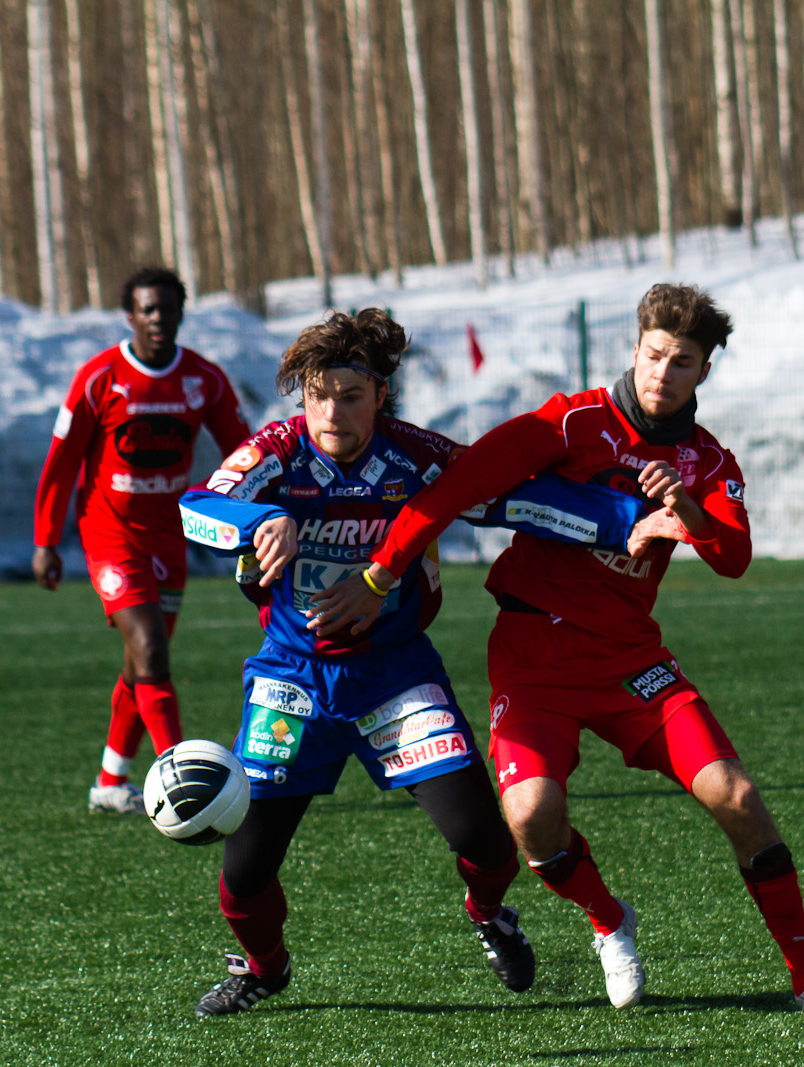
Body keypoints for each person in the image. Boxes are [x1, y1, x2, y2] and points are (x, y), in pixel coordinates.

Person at [314, 284, 804, 1014]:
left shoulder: (706, 461)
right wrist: (380, 574)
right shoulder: (572, 422)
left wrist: (686, 507)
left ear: (704, 371)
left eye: (683, 362)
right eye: (655, 355)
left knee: (737, 796)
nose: (664, 372)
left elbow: (734, 557)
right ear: (635, 350)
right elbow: (457, 486)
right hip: (533, 654)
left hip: (630, 660)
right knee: (531, 816)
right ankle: (609, 919)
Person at [177, 308, 652, 1018]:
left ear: (381, 395)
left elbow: (508, 495)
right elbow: (197, 507)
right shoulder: (275, 452)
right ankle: (265, 967)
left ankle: (488, 913)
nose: (331, 412)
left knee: (487, 843)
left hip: (395, 675)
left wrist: (626, 518)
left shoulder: (417, 457)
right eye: (317, 396)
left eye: (350, 395)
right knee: (245, 871)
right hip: (292, 679)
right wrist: (259, 519)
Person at [31, 267, 251, 812]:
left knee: (142, 661)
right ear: (130, 316)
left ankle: (110, 782)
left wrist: (260, 516)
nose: (158, 319)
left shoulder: (204, 379)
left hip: (168, 536)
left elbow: (246, 451)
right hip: (109, 531)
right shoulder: (99, 377)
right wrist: (46, 540)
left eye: (167, 308)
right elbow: (62, 461)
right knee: (150, 647)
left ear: (181, 312)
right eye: (147, 310)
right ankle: (182, 785)